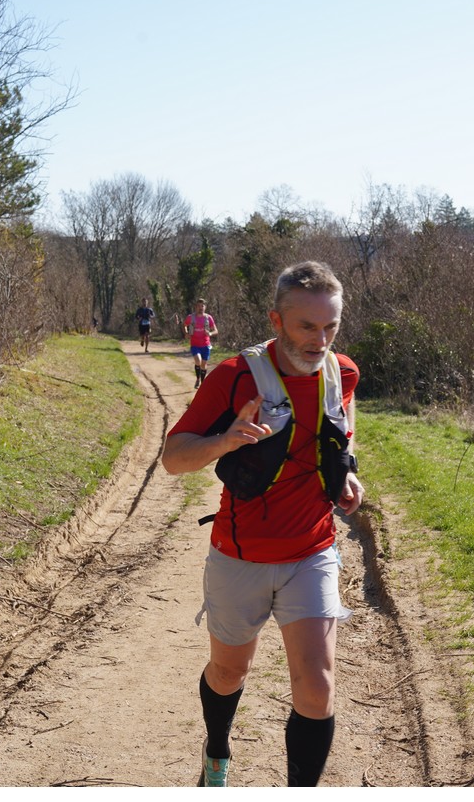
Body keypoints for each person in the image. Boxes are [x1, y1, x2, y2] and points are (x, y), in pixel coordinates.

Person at [162, 261, 363, 787]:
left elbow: (341, 431)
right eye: (307, 326)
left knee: (317, 689)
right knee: (229, 672)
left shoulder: (342, 372)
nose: (320, 340)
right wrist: (224, 441)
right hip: (240, 554)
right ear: (276, 320)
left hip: (312, 551)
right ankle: (216, 752)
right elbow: (173, 458)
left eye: (331, 326)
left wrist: (346, 473)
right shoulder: (235, 376)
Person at [183, 298, 219, 388]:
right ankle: (198, 379)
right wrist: (186, 333)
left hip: (206, 345)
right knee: (198, 361)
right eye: (199, 306)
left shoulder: (208, 318)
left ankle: (202, 383)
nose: (200, 308)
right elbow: (184, 325)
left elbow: (216, 330)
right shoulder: (191, 317)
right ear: (196, 307)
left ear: (205, 307)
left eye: (202, 306)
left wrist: (210, 333)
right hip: (195, 344)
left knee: (203, 364)